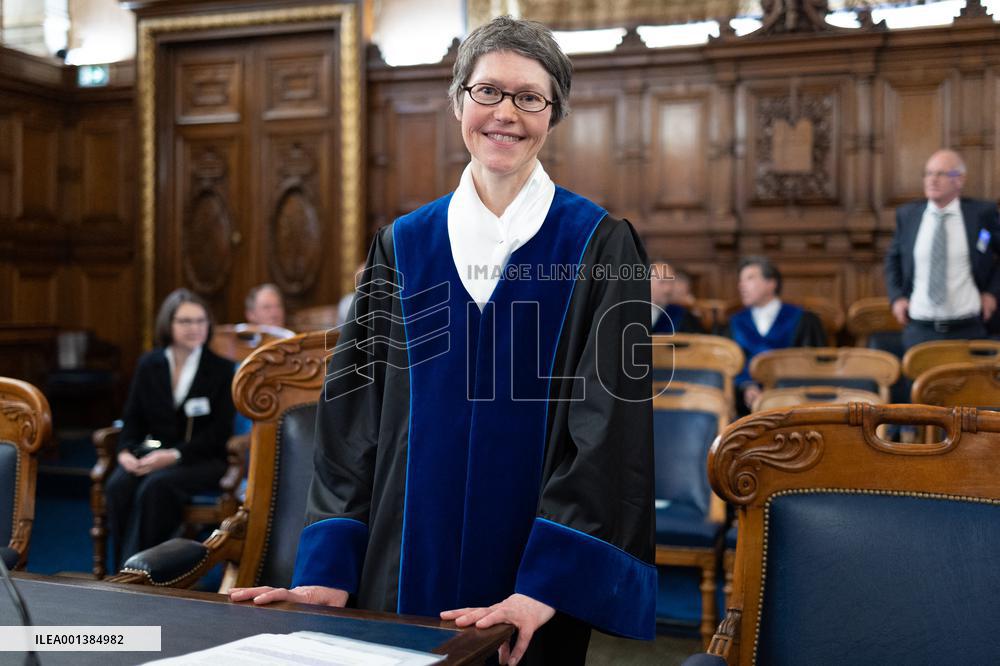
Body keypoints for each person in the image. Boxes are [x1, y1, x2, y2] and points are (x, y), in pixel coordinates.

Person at [230, 16, 655, 665]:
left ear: (554, 113)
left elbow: (609, 429)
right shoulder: (403, 246)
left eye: (528, 97)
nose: (505, 113)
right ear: (459, 100)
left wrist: (548, 584)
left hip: (529, 588)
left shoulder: (599, 245)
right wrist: (330, 564)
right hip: (397, 567)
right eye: (487, 91)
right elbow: (351, 420)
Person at [105, 288, 235, 567]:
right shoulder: (149, 364)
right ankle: (121, 566)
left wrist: (174, 456)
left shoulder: (222, 369)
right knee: (118, 484)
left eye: (200, 321)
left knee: (157, 486)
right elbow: (133, 418)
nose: (195, 328)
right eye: (185, 321)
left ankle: (143, 572)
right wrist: (125, 452)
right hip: (155, 454)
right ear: (168, 324)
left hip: (202, 459)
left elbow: (220, 432)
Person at [885, 149, 1000, 350]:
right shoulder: (908, 216)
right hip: (919, 328)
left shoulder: (982, 215)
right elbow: (892, 260)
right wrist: (897, 298)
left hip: (969, 327)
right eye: (928, 173)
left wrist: (992, 293)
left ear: (959, 180)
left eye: (941, 174)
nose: (932, 180)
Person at [726, 256, 826, 413]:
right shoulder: (734, 322)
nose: (741, 285)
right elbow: (729, 365)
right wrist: (747, 387)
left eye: (750, 278)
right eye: (740, 280)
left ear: (771, 283)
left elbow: (814, 366)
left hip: (792, 403)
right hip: (744, 408)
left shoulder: (803, 319)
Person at [649, 260, 704, 334]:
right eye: (662, 282)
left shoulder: (680, 315)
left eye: (671, 282)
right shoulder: (631, 311)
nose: (668, 289)